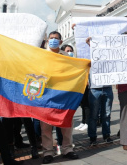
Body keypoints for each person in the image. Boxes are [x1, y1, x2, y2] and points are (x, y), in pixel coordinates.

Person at [41, 31, 78, 164]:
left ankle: (67, 149)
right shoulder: (41, 55)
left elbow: (74, 70)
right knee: (46, 126)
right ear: (47, 41)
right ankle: (48, 152)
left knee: (66, 123)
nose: (53, 40)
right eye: (51, 38)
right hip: (46, 96)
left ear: (61, 42)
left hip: (63, 95)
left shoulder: (66, 56)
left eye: (56, 38)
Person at [84, 38, 114, 146]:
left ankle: (107, 135)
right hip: (95, 89)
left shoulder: (109, 57)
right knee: (93, 115)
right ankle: (93, 137)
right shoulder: (89, 57)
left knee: (106, 114)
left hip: (107, 88)